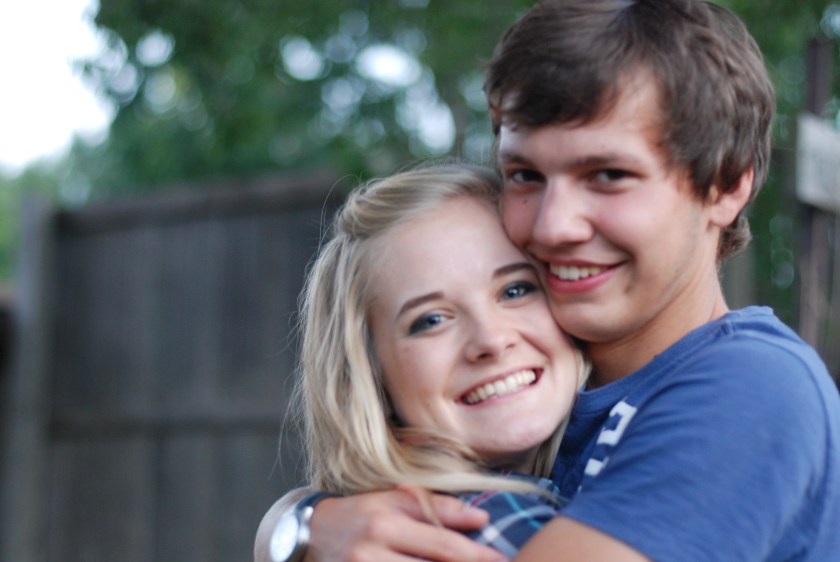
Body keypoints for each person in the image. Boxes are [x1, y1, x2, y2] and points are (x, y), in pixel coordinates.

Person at [257, 0, 840, 560]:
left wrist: (297, 528)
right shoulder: (536, 420)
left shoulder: (749, 387)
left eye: (608, 175)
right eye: (525, 175)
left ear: (727, 184)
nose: (552, 226)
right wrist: (301, 522)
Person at [260, 163, 589, 562]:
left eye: (515, 290)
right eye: (431, 320)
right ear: (371, 375)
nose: (491, 339)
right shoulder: (492, 524)